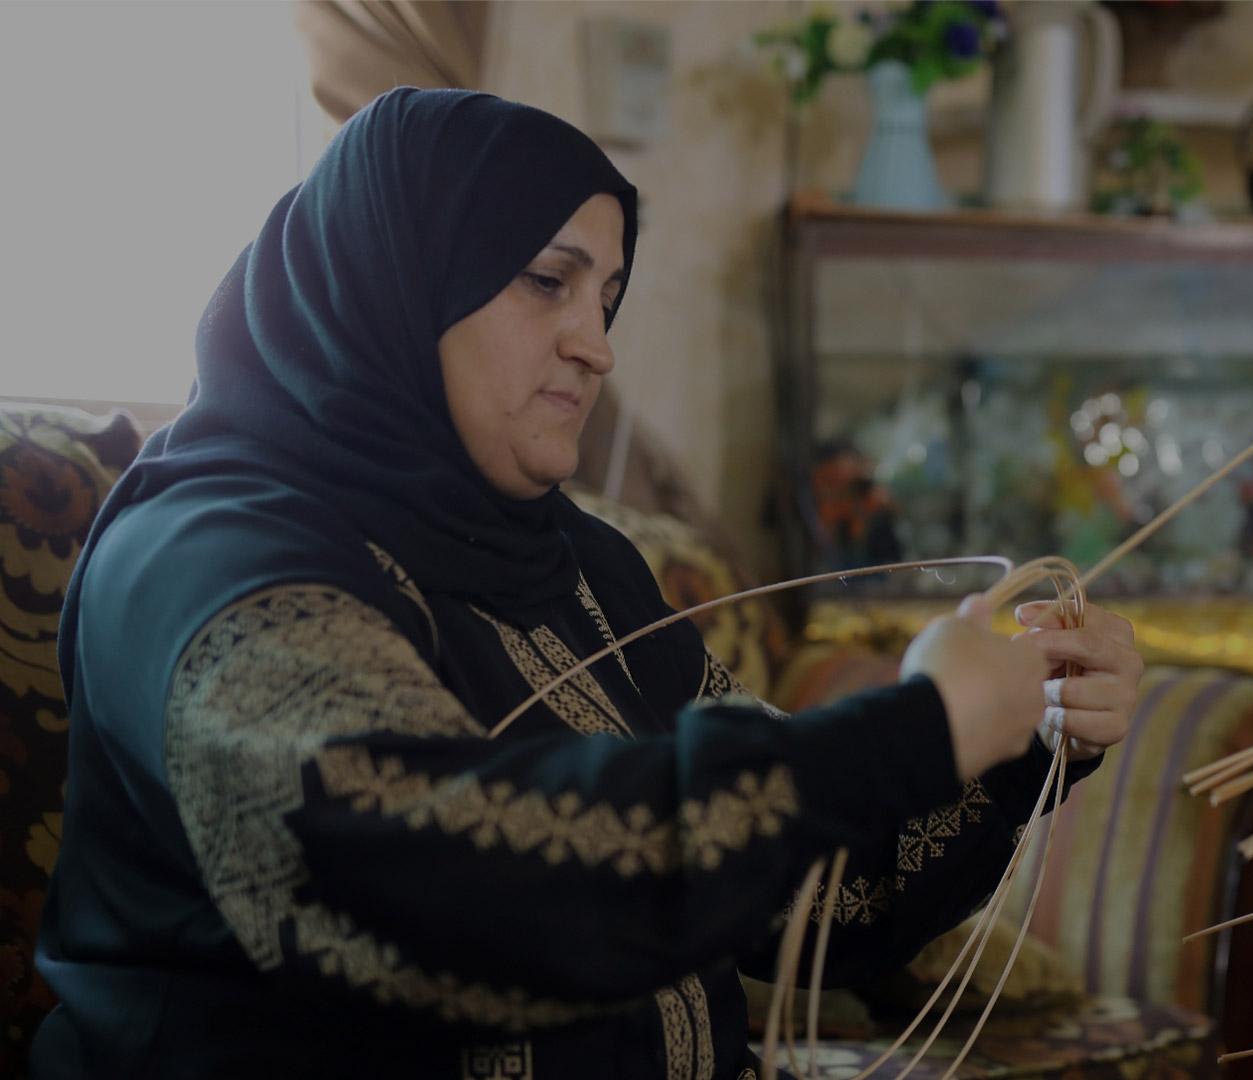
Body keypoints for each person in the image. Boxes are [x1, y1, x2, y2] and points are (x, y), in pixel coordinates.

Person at [32, 89, 1142, 1079]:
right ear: (398, 275)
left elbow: (812, 890)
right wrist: (920, 727)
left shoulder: (577, 561)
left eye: (605, 294)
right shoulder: (203, 560)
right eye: (546, 281)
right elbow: (462, 887)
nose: (596, 345)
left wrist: (1028, 732)